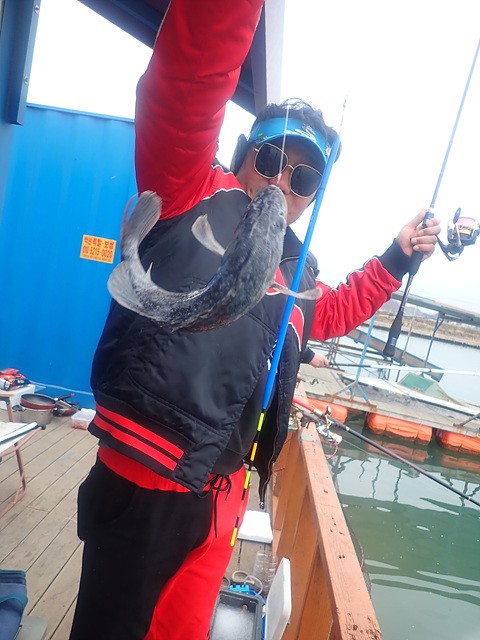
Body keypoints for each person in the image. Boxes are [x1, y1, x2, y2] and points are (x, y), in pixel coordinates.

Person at [69, 1, 440, 639]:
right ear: (243, 155)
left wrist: (397, 257)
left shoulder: (296, 269)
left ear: (314, 194)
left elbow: (333, 311)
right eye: (269, 161)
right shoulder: (187, 189)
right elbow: (183, 87)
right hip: (146, 481)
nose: (281, 183)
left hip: (222, 502)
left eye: (304, 177)